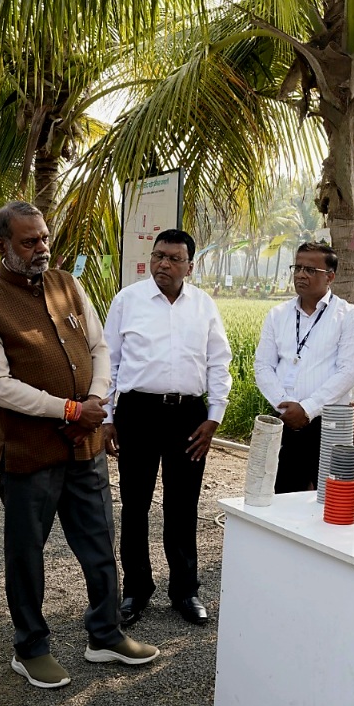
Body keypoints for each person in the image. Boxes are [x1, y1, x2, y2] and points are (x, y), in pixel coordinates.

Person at [0, 201, 157, 690]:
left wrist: (93, 401)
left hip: (85, 447)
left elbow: (100, 348)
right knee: (26, 555)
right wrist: (69, 411)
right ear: (1, 245)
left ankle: (105, 635)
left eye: (45, 238)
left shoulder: (68, 284)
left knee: (99, 545)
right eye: (29, 241)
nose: (42, 248)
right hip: (31, 453)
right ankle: (30, 648)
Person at [102, 229, 232, 628]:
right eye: (159, 256)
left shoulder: (204, 305)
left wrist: (214, 417)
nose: (164, 264)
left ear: (189, 266)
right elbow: (108, 362)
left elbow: (219, 362)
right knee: (135, 504)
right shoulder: (128, 301)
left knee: (183, 504)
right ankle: (136, 590)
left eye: (174, 259)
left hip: (188, 417)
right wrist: (107, 418)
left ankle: (185, 591)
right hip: (137, 413)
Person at [255, 241, 354, 493]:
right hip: (285, 418)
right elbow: (263, 366)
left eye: (310, 270)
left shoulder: (348, 316)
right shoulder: (278, 314)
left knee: (329, 498)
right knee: (282, 495)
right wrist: (285, 405)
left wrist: (307, 409)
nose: (301, 275)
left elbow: (347, 373)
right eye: (297, 268)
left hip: (329, 423)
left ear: (330, 277)